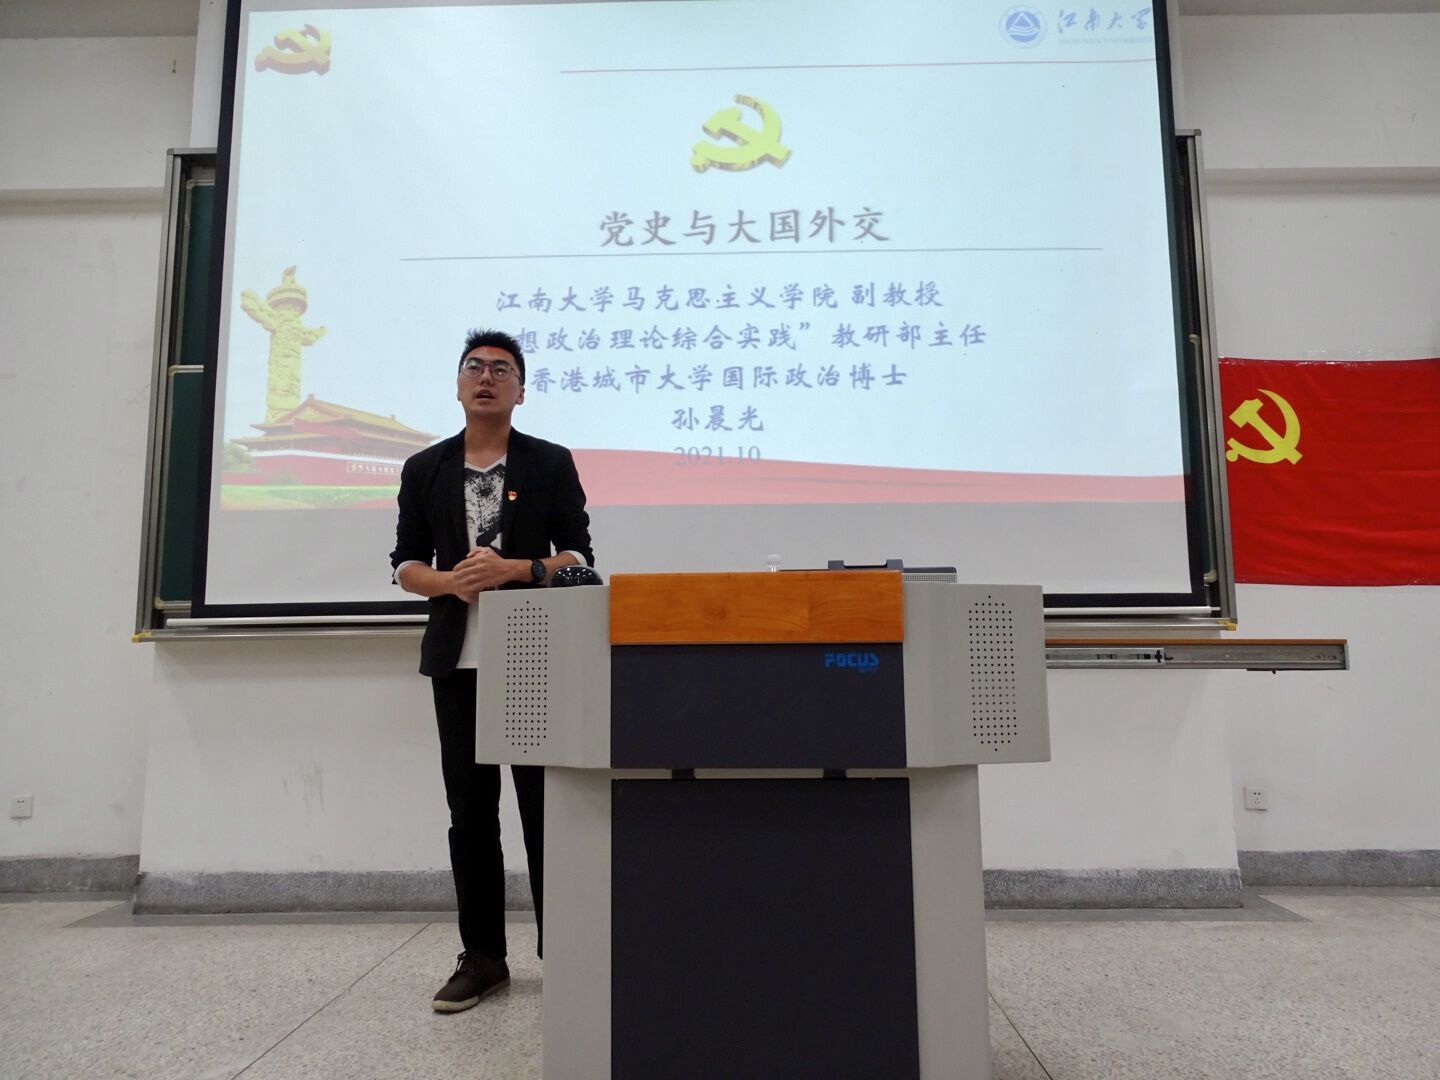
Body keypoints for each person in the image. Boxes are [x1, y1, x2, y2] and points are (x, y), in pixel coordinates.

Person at [390, 328, 593, 1012]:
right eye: (474, 367)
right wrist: (451, 582)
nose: (486, 377)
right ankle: (482, 957)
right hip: (459, 660)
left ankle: (566, 954)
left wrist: (518, 569)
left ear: (520, 391)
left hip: (534, 657)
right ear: (457, 385)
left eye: (501, 370)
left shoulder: (549, 462)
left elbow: (578, 557)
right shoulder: (425, 468)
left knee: (544, 810)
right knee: (471, 813)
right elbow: (405, 564)